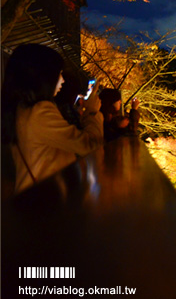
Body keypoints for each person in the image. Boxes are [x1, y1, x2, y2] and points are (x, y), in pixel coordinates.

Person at [1, 44, 104, 194]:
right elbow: (89, 146)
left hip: (31, 197)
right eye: (59, 73)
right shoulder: (40, 111)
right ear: (43, 76)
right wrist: (92, 112)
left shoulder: (21, 108)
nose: (62, 80)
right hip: (45, 201)